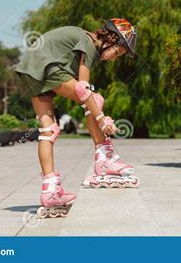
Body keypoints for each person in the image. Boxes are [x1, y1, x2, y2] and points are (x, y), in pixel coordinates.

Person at [15, 18, 139, 218]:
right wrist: (102, 119)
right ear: (110, 38)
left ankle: (50, 191)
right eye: (117, 51)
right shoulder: (88, 42)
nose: (116, 57)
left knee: (49, 131)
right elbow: (83, 88)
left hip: (31, 68)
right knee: (94, 99)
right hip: (46, 65)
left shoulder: (88, 45)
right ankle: (104, 161)